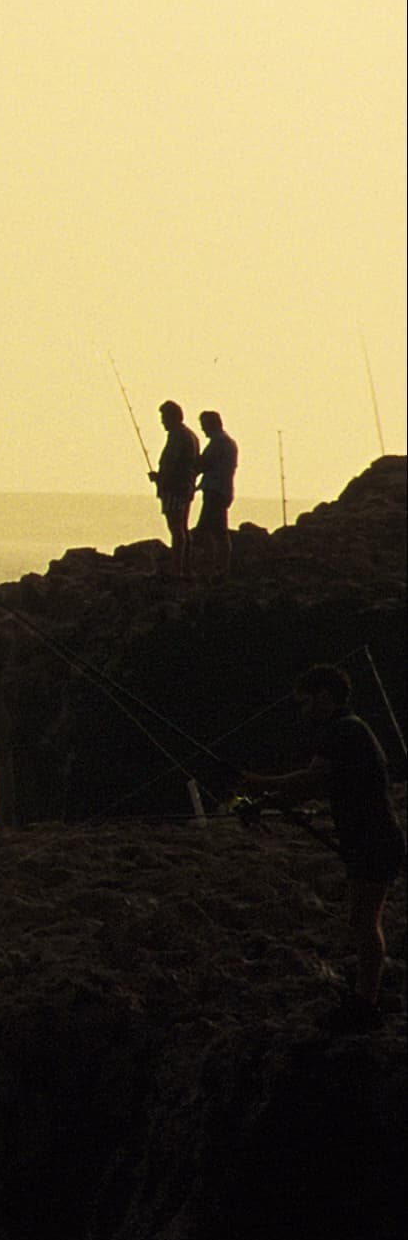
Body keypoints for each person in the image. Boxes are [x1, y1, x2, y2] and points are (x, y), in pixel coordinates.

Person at [237, 664, 406, 1027]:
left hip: (374, 840)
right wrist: (262, 803)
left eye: (306, 702)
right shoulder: (349, 729)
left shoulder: (343, 730)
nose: (304, 711)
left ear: (325, 696)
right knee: (362, 919)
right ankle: (365, 997)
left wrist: (259, 783)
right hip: (371, 839)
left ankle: (365, 1004)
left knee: (365, 921)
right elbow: (314, 786)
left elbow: (310, 779)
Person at [148, 401, 201, 576]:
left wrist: (160, 478)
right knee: (183, 528)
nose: (162, 421)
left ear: (173, 417)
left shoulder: (178, 436)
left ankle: (177, 569)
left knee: (176, 529)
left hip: (174, 489)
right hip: (185, 487)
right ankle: (186, 568)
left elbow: (173, 465)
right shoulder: (190, 435)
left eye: (164, 417)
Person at [193, 410, 240, 582]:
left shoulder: (218, 443)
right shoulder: (228, 442)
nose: (203, 429)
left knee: (205, 530)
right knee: (219, 531)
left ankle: (212, 568)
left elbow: (201, 465)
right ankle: (221, 568)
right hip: (224, 490)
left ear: (212, 424)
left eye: (204, 425)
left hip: (215, 491)